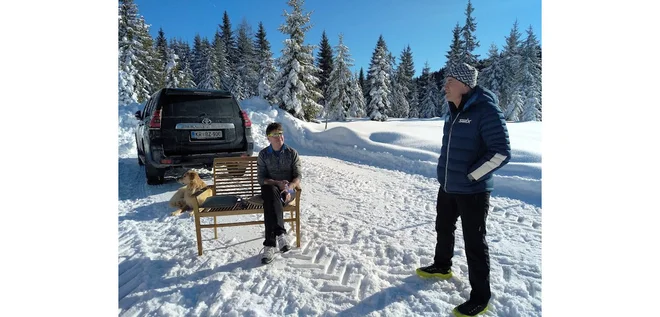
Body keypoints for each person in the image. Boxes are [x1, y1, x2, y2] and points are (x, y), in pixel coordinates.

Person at [416, 62, 511, 317]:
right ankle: (442, 265)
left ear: (465, 84)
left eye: (450, 81)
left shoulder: (485, 110)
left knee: (474, 243)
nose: (444, 86)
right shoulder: (454, 110)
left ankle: (481, 297)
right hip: (448, 185)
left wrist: (472, 176)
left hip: (473, 191)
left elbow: (501, 152)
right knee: (443, 227)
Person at [257, 122, 302, 264]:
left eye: (281, 133)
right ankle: (281, 234)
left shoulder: (291, 153)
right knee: (270, 191)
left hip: (287, 191)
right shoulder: (263, 154)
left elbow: (298, 176)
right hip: (272, 189)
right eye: (275, 135)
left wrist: (289, 188)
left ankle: (269, 245)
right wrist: (277, 183)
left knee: (269, 203)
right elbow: (261, 179)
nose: (279, 137)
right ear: (268, 138)